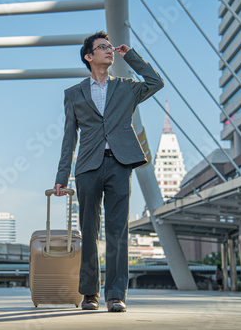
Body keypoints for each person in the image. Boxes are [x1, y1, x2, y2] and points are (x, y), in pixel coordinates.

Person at [54, 31, 164, 312]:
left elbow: (156, 82)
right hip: (88, 166)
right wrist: (61, 177)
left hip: (120, 163)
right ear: (89, 57)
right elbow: (69, 139)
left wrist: (132, 56)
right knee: (89, 230)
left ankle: (115, 294)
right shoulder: (73, 94)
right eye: (102, 47)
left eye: (110, 47)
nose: (109, 50)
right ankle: (89, 293)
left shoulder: (127, 88)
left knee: (118, 232)